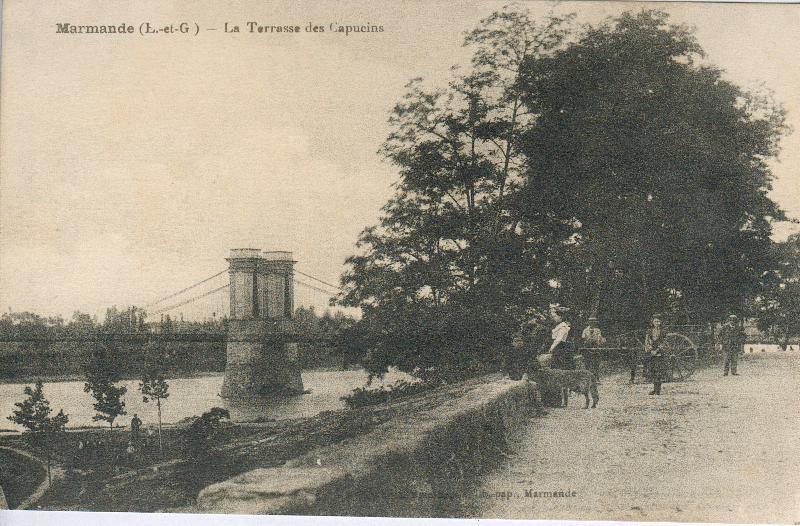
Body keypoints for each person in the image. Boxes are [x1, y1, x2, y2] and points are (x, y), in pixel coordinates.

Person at [645, 314, 667, 395]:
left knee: (658, 371)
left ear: (660, 322)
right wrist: (650, 349)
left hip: (659, 353)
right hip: (651, 352)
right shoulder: (649, 331)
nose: (657, 323)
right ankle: (654, 389)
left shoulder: (663, 331)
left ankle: (658, 390)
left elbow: (663, 343)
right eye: (655, 321)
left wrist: (657, 350)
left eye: (658, 321)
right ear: (652, 322)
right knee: (653, 370)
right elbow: (646, 341)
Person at [581, 316, 606, 381]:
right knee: (587, 363)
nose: (592, 323)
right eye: (591, 322)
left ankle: (596, 378)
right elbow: (583, 339)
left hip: (596, 348)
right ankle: (588, 378)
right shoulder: (585, 330)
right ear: (588, 322)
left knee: (596, 363)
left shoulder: (598, 330)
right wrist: (588, 341)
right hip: (587, 348)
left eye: (594, 322)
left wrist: (598, 342)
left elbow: (599, 338)